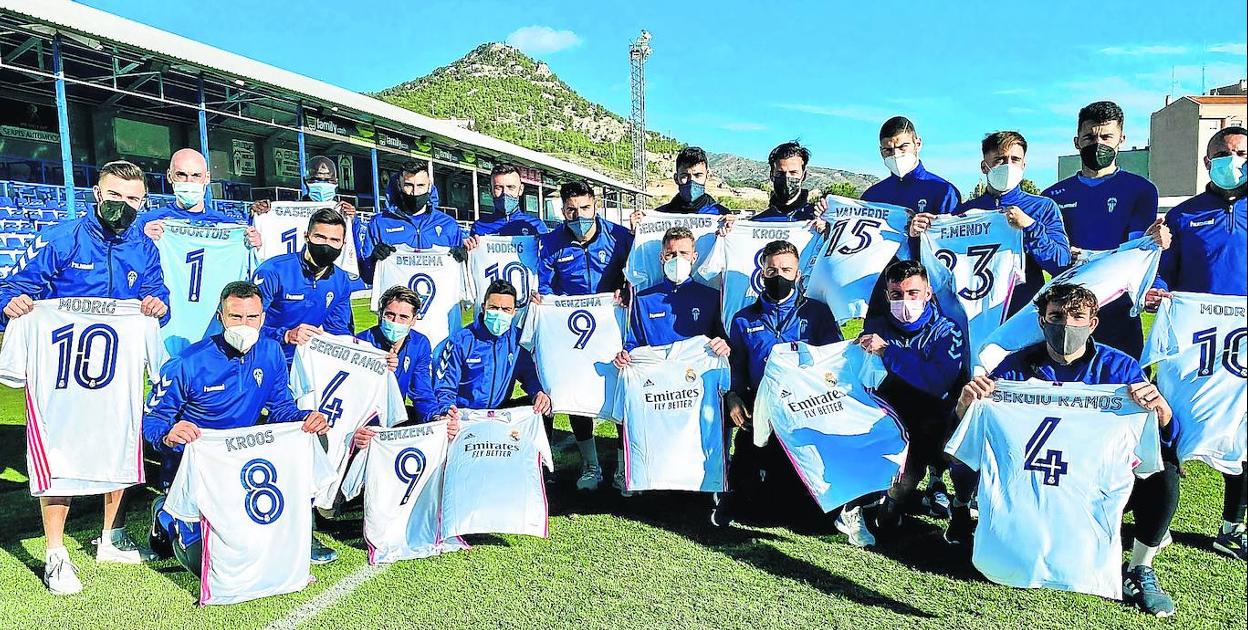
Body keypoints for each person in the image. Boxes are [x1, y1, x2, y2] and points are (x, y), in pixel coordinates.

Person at [956, 283, 1179, 617]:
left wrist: (1163, 414)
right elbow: (974, 433)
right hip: (1032, 480)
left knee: (1166, 474)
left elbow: (1163, 439)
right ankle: (967, 517)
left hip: (1093, 479)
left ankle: (1140, 568)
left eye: (1077, 317)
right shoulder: (1015, 367)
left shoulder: (1119, 368)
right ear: (1042, 321)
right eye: (1056, 316)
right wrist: (966, 406)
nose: (1066, 325)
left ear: (1093, 324)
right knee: (963, 463)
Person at [0, 160, 170, 594]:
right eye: (115, 196)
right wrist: (13, 305)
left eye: (133, 199)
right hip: (60, 373)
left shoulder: (143, 247)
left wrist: (156, 306)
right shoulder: (60, 237)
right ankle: (55, 551)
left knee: (118, 445)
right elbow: (12, 288)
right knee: (59, 455)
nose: (123, 206)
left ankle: (110, 535)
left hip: (116, 375)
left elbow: (159, 293)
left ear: (143, 201)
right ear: (98, 193)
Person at [142, 281, 330, 573]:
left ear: (263, 318)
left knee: (315, 437)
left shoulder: (271, 353)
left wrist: (305, 418)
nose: (244, 325)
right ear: (220, 317)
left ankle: (303, 525)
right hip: (193, 470)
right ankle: (165, 512)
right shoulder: (186, 362)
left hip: (241, 462)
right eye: (236, 317)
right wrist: (169, 436)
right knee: (205, 563)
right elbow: (151, 421)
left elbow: (281, 408)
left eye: (252, 317)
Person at [1147, 125, 1247, 562]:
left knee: (1244, 432)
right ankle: (1156, 523)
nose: (1233, 160)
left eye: (1242, 152)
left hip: (1243, 343)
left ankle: (1232, 527)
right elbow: (1166, 271)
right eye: (1224, 154)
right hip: (1194, 340)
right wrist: (1160, 289)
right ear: (1208, 162)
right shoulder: (1184, 216)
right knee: (1171, 428)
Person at [717, 240, 843, 527]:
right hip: (760, 402)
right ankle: (730, 497)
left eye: (786, 270)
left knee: (800, 509)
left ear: (798, 275)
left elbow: (834, 360)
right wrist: (733, 395)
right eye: (772, 270)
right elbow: (736, 365)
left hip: (804, 405)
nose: (779, 276)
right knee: (748, 462)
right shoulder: (743, 318)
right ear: (762, 274)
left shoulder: (817, 314)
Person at [1041, 101, 1170, 358]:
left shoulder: (1140, 190)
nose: (1097, 144)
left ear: (1121, 139)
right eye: (1089, 137)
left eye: (1106, 136)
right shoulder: (1052, 196)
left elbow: (1138, 250)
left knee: (1121, 383)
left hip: (1118, 305)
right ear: (1077, 141)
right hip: (1068, 308)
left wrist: (1153, 282)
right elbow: (1050, 254)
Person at [533, 180, 633, 492]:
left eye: (585, 208)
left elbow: (635, 275)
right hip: (570, 330)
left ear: (596, 205)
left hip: (611, 326)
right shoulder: (551, 243)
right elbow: (545, 284)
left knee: (618, 393)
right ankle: (591, 465)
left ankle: (621, 467)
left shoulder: (620, 237)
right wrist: (544, 302)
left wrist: (625, 291)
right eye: (572, 210)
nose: (579, 216)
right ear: (562, 211)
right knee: (575, 393)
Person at [858, 260, 967, 536]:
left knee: (951, 462)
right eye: (896, 295)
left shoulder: (948, 330)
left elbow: (937, 381)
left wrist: (889, 354)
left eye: (912, 293)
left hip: (934, 419)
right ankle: (884, 503)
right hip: (891, 416)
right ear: (887, 296)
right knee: (896, 481)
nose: (904, 301)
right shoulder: (876, 328)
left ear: (928, 293)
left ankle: (955, 502)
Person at [942, 131, 1071, 314]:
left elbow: (1061, 264)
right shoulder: (966, 211)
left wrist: (1030, 227)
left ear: (1023, 165)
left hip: (1023, 313)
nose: (1008, 165)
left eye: (1015, 159)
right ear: (984, 166)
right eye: (1000, 160)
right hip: (975, 312)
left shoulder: (1042, 207)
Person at [414, 279, 550, 446]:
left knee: (543, 405)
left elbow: (529, 375)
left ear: (514, 312)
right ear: (484, 306)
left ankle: (538, 467)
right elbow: (444, 387)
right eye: (494, 308)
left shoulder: (517, 340)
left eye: (506, 309)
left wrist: (538, 392)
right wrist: (447, 411)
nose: (499, 313)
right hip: (466, 415)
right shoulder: (460, 341)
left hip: (499, 411)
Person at [251, 208, 355, 363]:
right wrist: (285, 335)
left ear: (343, 243)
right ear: (306, 237)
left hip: (308, 364)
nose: (327, 245)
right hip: (266, 360)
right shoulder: (272, 271)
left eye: (334, 240)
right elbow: (247, 326)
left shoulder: (341, 279)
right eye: (320, 237)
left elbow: (337, 330)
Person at [614, 226, 730, 354]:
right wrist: (624, 355)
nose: (677, 259)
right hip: (658, 371)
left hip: (697, 372)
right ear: (662, 257)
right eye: (670, 254)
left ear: (694, 257)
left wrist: (724, 346)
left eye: (684, 253)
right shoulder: (642, 300)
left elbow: (724, 340)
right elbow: (633, 343)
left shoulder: (712, 298)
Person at [357, 161, 464, 283]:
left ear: (429, 186)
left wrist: (463, 258)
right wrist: (373, 260)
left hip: (438, 300)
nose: (415, 192)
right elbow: (367, 277)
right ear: (399, 185)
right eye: (408, 185)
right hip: (397, 300)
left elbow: (460, 277)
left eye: (421, 185)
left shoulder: (448, 225)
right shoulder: (379, 223)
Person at [140, 148, 262, 248]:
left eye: (196, 175)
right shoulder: (148, 222)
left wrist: (255, 245)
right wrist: (142, 240)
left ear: (207, 178)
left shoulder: (227, 225)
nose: (189, 181)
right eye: (181, 175)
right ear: (169, 176)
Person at [355, 285, 439, 424]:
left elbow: (421, 390)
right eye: (390, 315)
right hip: (362, 418)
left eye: (403, 317)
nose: (395, 322)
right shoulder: (362, 341)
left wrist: (435, 417)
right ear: (381, 314)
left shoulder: (420, 344)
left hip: (394, 417)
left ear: (413, 320)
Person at [466, 163, 551, 242]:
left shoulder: (536, 226)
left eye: (511, 187)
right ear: (490, 190)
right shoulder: (479, 227)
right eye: (498, 187)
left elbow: (546, 256)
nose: (505, 193)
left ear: (520, 190)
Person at [752, 141, 821, 222]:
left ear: (804, 176)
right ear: (771, 175)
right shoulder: (757, 222)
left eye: (793, 173)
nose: (786, 178)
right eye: (780, 173)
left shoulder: (817, 218)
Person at [652, 147, 732, 215]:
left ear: (707, 176)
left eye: (698, 175)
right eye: (685, 176)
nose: (692, 181)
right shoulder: (660, 214)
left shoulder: (721, 214)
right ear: (676, 178)